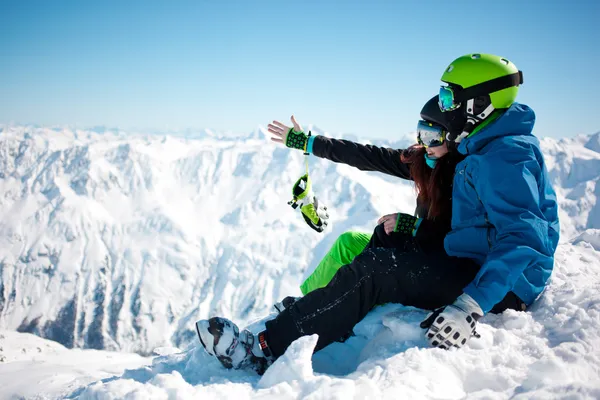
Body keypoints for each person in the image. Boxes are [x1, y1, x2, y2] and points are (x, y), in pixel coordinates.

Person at [196, 53, 560, 375]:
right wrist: (310, 143)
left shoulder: (503, 157)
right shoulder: (478, 145)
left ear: (478, 103)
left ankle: (261, 350)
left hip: (503, 286)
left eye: (450, 96)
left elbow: (524, 236)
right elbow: (377, 157)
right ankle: (329, 312)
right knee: (386, 239)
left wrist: (470, 304)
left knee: (377, 270)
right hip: (475, 259)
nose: (444, 105)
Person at [280, 95, 462, 304]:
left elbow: (466, 238)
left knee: (370, 263)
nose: (424, 143)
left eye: (433, 136)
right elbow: (367, 155)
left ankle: (332, 304)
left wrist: (416, 226)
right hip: (416, 246)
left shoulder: (464, 178)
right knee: (348, 243)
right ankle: (306, 303)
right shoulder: (424, 162)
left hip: (435, 266)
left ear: (453, 138)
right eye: (421, 133)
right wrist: (308, 143)